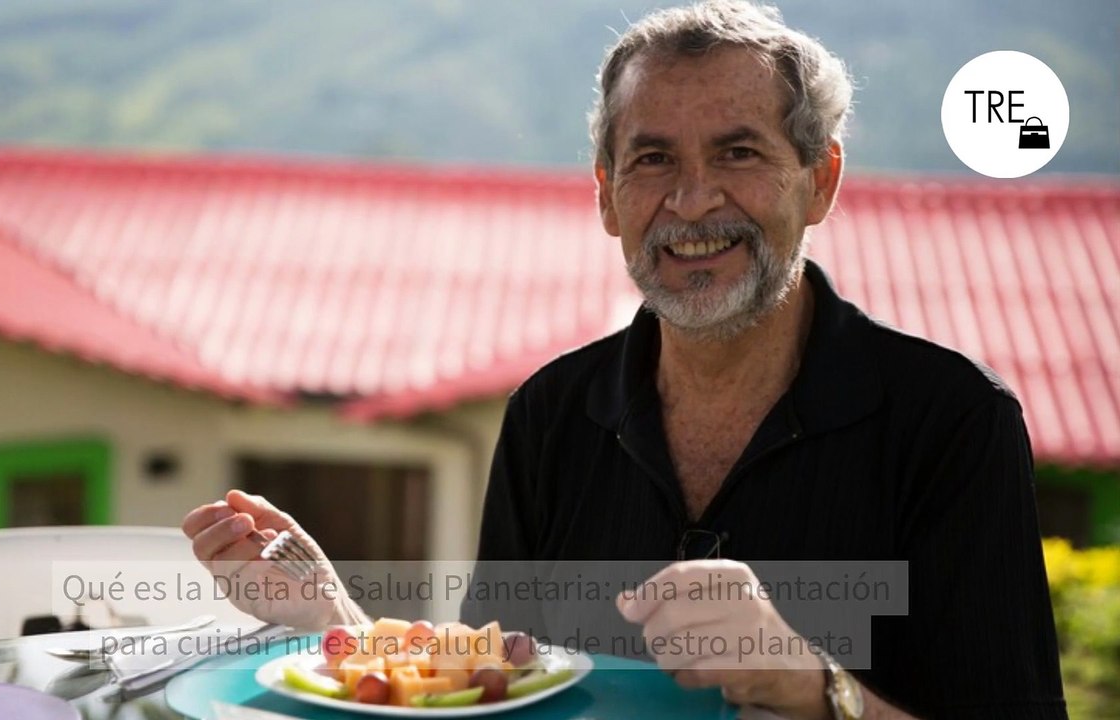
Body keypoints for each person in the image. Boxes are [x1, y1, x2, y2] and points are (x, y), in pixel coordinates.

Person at [183, 2, 1066, 718]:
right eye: (652, 159)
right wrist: (334, 622)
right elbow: (494, 694)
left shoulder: (951, 422)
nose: (691, 199)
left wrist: (811, 687)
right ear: (608, 197)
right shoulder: (550, 414)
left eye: (739, 152)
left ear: (821, 179)